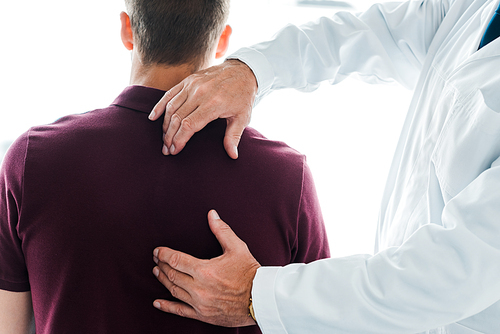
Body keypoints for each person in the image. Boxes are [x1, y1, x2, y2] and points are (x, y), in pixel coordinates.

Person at [148, 0, 500, 332]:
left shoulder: (286, 175)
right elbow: (373, 33)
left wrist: (258, 297)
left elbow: (454, 273)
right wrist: (251, 70)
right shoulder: (472, 7)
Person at [0, 0, 330, 333]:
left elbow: (7, 324)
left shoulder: (32, 159)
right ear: (222, 41)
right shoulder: (288, 177)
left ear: (126, 30)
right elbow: (325, 320)